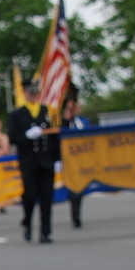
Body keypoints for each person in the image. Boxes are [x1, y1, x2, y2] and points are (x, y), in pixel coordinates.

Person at [7, 78, 57, 243]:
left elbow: (55, 136)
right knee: (30, 196)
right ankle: (27, 221)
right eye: (31, 92)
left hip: (46, 161)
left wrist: (58, 159)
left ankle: (45, 232)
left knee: (47, 197)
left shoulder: (47, 111)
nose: (34, 95)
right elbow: (13, 137)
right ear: (25, 93)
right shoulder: (17, 114)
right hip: (29, 162)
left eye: (36, 92)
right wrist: (26, 136)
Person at [58, 86, 93, 229]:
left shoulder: (83, 121)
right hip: (68, 161)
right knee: (73, 189)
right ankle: (75, 215)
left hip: (82, 160)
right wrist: (67, 118)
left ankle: (77, 213)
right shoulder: (62, 122)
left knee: (80, 188)